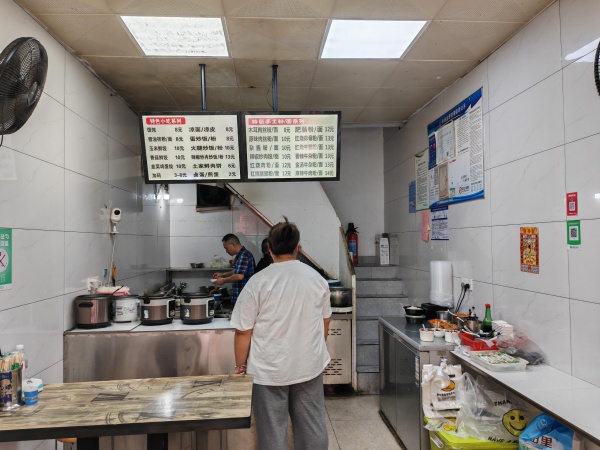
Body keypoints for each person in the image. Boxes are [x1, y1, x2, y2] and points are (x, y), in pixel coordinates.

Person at [230, 218, 332, 450]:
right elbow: (325, 321)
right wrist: (314, 350)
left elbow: (243, 331)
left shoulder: (258, 282)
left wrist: (240, 365)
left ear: (269, 249)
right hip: (308, 366)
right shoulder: (317, 279)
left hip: (269, 370)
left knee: (272, 432)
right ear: (298, 248)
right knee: (312, 427)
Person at [212, 234, 255, 304]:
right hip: (241, 298)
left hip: (243, 300)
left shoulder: (244, 256)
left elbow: (239, 276)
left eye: (226, 248)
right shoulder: (240, 255)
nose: (226, 251)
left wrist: (223, 280)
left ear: (233, 244)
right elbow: (237, 271)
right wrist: (222, 274)